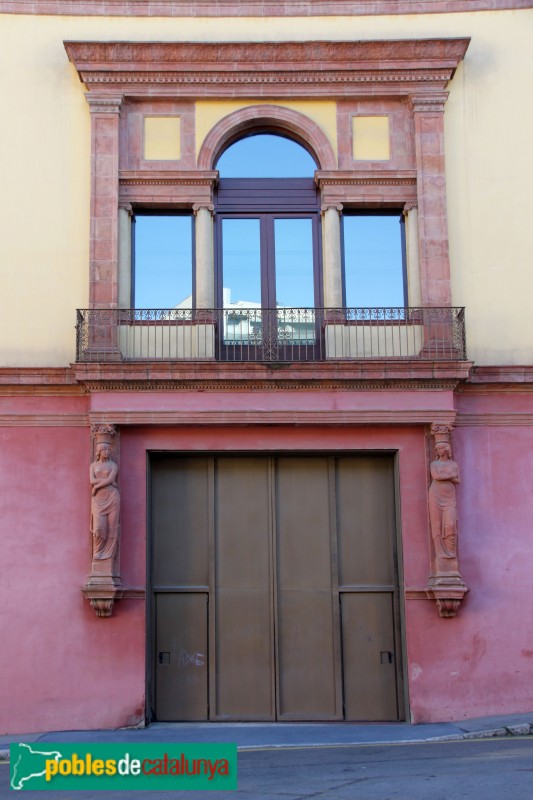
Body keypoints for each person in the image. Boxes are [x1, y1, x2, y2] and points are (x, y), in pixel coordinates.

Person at [428, 441, 460, 563]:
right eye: (438, 448)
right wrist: (450, 475)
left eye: (442, 448)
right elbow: (435, 476)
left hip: (449, 496)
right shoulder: (434, 464)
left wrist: (446, 475)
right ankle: (441, 554)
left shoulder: (454, 464)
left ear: (447, 450)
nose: (440, 450)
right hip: (435, 495)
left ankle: (450, 553)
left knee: (450, 524)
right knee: (437, 524)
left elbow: (458, 480)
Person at [90, 442, 120, 560]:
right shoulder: (93, 465)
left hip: (112, 498)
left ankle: (109, 554)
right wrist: (107, 480)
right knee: (99, 527)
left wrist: (97, 486)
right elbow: (92, 480)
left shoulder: (113, 465)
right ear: (99, 452)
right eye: (104, 450)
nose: (107, 452)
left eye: (108, 450)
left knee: (112, 527)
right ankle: (98, 551)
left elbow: (111, 479)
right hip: (98, 500)